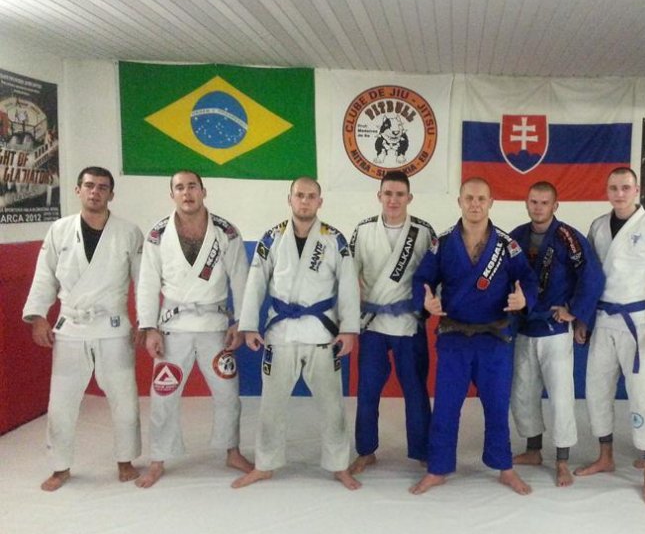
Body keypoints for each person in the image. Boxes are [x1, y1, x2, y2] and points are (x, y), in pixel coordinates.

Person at [409, 177, 539, 495]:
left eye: (481, 198)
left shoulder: (507, 245)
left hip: (494, 338)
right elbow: (422, 278)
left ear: (491, 202)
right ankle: (438, 468)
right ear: (460, 202)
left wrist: (524, 300)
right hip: (454, 336)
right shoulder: (442, 242)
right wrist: (425, 301)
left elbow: (528, 279)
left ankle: (504, 467)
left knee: (497, 405)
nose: (475, 204)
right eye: (469, 198)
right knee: (446, 406)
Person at [233, 177, 361, 490]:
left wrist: (349, 330)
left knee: (332, 405)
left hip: (322, 333)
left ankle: (339, 465)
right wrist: (248, 326)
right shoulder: (272, 238)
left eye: (311, 196)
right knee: (271, 406)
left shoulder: (335, 239)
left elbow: (348, 285)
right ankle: (265, 464)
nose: (305, 201)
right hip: (280, 333)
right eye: (299, 195)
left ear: (320, 201)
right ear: (289, 199)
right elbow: (255, 283)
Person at [22, 166, 143, 491]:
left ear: (111, 194)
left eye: (102, 187)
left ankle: (126, 459)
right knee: (61, 402)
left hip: (113, 325)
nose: (95, 192)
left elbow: (142, 280)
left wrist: (146, 322)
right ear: (78, 190)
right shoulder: (59, 230)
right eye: (89, 186)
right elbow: (44, 276)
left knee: (125, 398)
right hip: (71, 326)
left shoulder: (129, 232)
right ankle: (60, 466)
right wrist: (38, 316)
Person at [574, 167, 645, 505]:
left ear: (637, 190)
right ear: (607, 191)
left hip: (637, 322)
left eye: (625, 187)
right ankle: (605, 456)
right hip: (603, 319)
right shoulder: (597, 226)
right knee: (596, 390)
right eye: (614, 188)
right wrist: (583, 318)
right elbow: (588, 277)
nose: (619, 193)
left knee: (644, 396)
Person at [134, 170, 253, 488]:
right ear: (171, 194)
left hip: (215, 325)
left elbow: (241, 278)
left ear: (203, 191)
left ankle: (232, 450)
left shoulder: (226, 231)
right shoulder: (158, 233)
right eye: (180, 188)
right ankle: (158, 458)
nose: (186, 193)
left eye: (192, 187)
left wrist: (241, 323)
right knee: (164, 394)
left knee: (228, 392)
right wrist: (149, 327)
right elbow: (147, 283)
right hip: (173, 326)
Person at [509, 181, 604, 487]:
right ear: (526, 203)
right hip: (525, 327)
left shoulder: (567, 237)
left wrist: (575, 312)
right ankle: (533, 450)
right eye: (533, 201)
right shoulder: (516, 237)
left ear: (555, 205)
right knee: (523, 392)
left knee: (561, 396)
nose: (538, 207)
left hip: (554, 328)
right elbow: (503, 277)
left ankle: (562, 460)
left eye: (544, 202)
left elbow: (592, 275)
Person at [348, 170, 435, 473]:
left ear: (409, 198)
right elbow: (348, 277)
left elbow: (435, 276)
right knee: (368, 390)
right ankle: (366, 450)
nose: (393, 200)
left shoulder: (423, 232)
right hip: (372, 323)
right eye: (388, 193)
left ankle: (423, 449)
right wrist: (348, 320)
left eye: (399, 194)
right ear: (379, 196)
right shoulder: (363, 231)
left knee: (416, 389)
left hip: (408, 322)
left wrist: (431, 304)